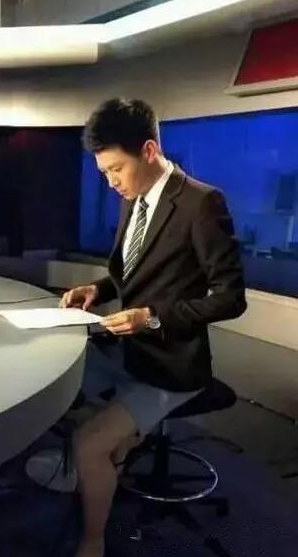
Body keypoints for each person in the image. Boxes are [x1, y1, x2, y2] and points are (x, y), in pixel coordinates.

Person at [60, 98, 247, 557]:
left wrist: (152, 316)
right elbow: (134, 272)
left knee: (88, 444)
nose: (111, 182)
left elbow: (230, 298)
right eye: (104, 172)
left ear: (148, 151)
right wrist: (98, 289)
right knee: (62, 391)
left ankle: (92, 542)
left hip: (172, 365)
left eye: (116, 169)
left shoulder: (202, 203)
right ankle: (120, 451)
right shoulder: (134, 196)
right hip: (130, 351)